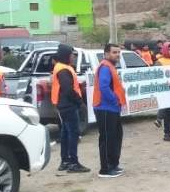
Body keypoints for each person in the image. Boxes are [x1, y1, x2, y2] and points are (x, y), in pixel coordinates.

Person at [52, 44, 90, 173]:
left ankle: (65, 161)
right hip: (68, 105)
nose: (73, 57)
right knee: (73, 134)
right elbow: (68, 89)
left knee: (65, 134)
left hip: (62, 105)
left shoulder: (60, 67)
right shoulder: (63, 70)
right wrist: (80, 103)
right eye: (72, 54)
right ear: (66, 55)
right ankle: (73, 163)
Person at [93, 43, 126, 178]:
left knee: (116, 137)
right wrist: (115, 100)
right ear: (106, 54)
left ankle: (113, 164)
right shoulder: (106, 67)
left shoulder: (111, 66)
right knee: (107, 138)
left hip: (112, 108)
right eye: (114, 52)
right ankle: (105, 169)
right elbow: (104, 87)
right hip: (105, 108)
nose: (117, 55)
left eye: (118, 52)